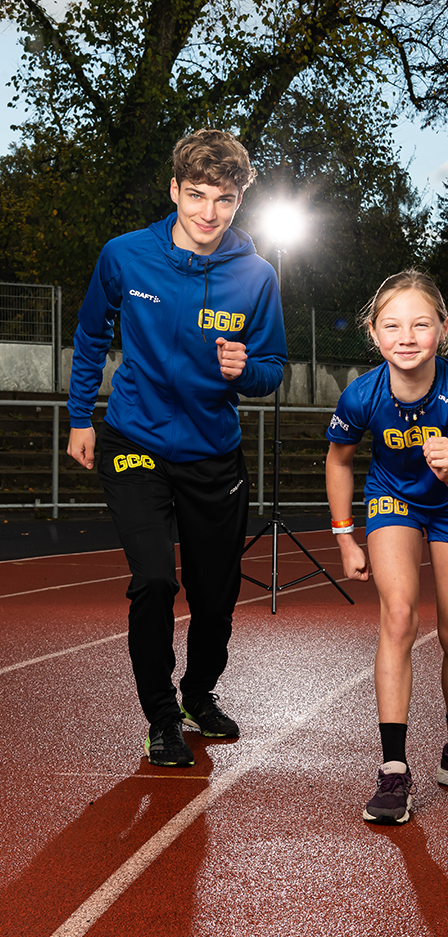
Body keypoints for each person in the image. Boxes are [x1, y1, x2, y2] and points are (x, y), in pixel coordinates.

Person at [66, 128, 287, 766]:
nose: (208, 213)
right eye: (196, 196)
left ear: (240, 200)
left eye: (223, 199)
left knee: (215, 594)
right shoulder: (125, 256)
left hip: (212, 454)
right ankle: (161, 716)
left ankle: (197, 693)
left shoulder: (257, 277)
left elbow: (272, 368)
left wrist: (244, 370)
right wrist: (83, 417)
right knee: (156, 580)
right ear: (174, 190)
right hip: (133, 440)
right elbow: (88, 335)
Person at [325, 270, 448, 825]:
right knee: (400, 616)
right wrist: (344, 536)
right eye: (392, 325)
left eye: (420, 324)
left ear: (443, 330)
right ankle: (392, 769)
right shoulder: (362, 394)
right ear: (374, 333)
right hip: (393, 502)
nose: (406, 337)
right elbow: (338, 459)